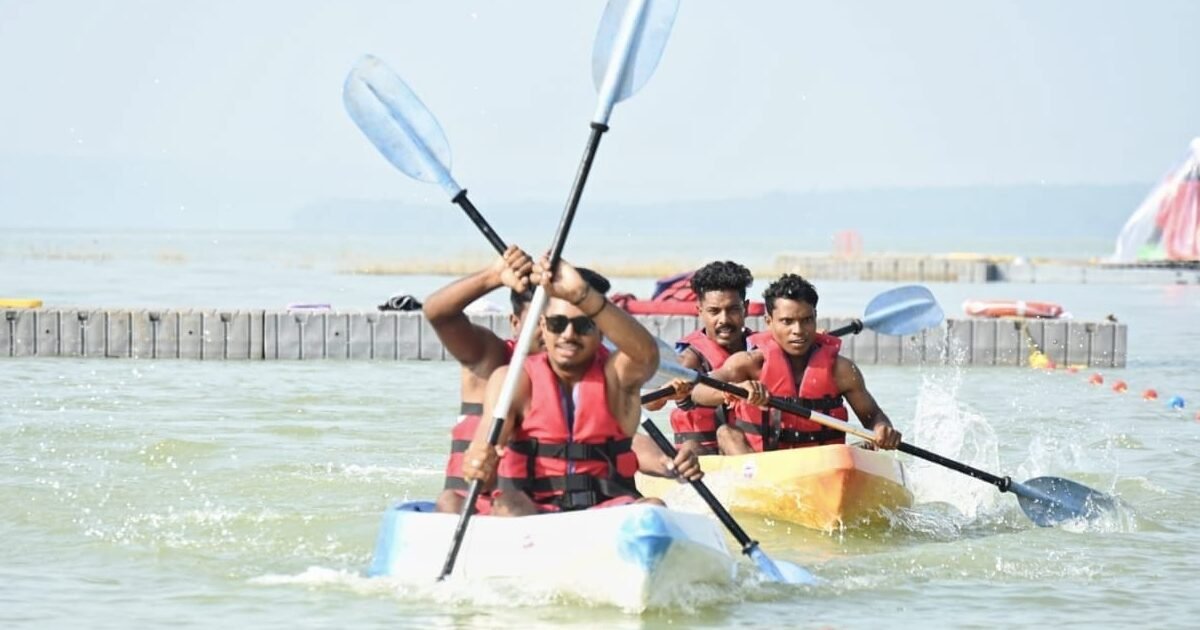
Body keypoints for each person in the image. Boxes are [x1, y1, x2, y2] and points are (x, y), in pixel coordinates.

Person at [462, 257, 697, 515]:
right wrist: (478, 463)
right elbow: (485, 448)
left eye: (583, 325)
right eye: (558, 324)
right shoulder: (511, 379)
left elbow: (646, 359)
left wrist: (667, 463)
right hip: (533, 509)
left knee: (653, 508)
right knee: (506, 506)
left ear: (600, 331)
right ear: (543, 325)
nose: (568, 335)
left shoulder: (616, 375)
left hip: (603, 506)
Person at [689, 273, 902, 454]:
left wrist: (883, 429)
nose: (798, 331)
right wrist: (734, 390)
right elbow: (698, 391)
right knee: (726, 433)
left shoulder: (842, 370)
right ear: (769, 321)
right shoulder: (749, 363)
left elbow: (873, 416)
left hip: (822, 465)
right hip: (762, 464)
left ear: (815, 317)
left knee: (867, 447)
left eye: (806, 320)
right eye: (787, 321)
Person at [425, 246, 537, 514]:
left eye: (554, 320)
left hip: (533, 511)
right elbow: (438, 313)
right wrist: (494, 276)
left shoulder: (580, 371)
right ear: (515, 322)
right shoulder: (489, 356)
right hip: (467, 507)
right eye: (536, 321)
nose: (546, 330)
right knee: (449, 502)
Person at [643, 261, 755, 455]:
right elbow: (649, 403)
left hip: (750, 451)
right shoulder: (689, 360)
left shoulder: (760, 350)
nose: (724, 320)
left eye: (732, 310)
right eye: (714, 311)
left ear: (745, 308)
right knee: (714, 438)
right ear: (700, 311)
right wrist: (667, 392)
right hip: (703, 455)